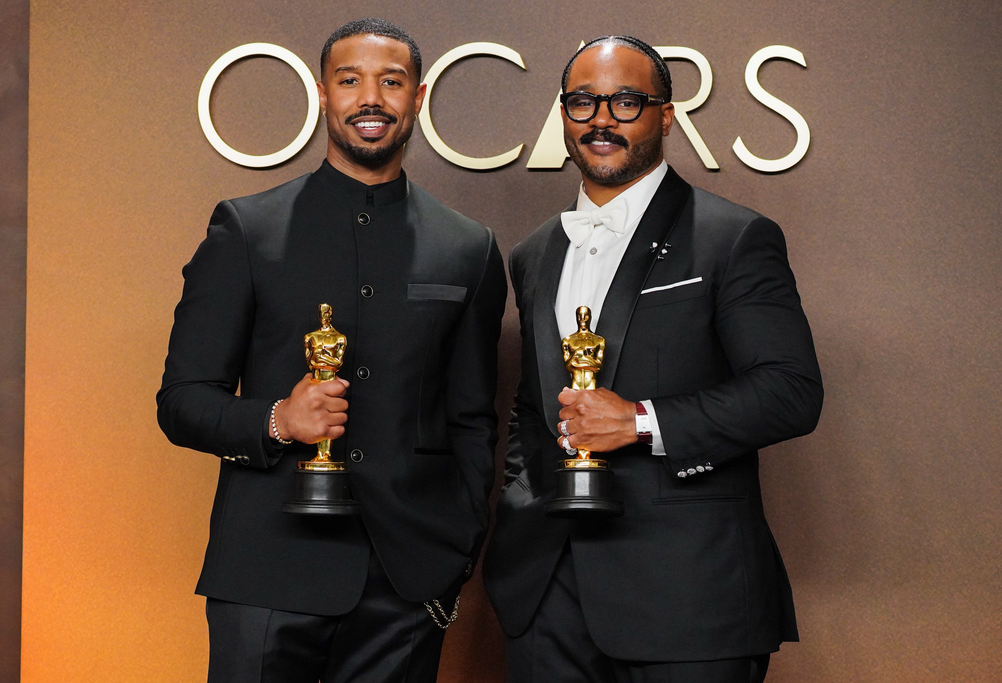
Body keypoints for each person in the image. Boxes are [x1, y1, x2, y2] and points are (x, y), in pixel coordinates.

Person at [157, 18, 506, 683]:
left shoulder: (471, 247)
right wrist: (276, 420)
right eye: (350, 80)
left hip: (406, 585)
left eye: (391, 81)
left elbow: (472, 420)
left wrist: (454, 554)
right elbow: (182, 401)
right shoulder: (245, 228)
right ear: (323, 94)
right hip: (266, 571)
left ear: (420, 97)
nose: (370, 98)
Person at [483, 35, 823, 683]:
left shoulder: (734, 236)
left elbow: (790, 391)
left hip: (690, 597)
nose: (601, 118)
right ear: (563, 116)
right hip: (546, 597)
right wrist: (518, 522)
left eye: (626, 101)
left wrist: (640, 421)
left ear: (666, 116)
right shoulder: (532, 254)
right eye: (583, 102)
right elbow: (531, 411)